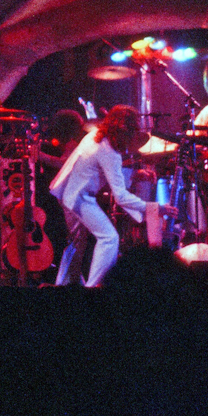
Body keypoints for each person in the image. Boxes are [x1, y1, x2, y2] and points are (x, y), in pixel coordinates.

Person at [49, 105, 176, 287]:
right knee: (109, 238)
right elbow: (121, 196)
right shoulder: (109, 152)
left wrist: (133, 175)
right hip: (76, 196)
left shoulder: (95, 137)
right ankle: (94, 287)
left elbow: (100, 170)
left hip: (70, 191)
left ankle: (67, 284)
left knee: (78, 242)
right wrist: (155, 208)